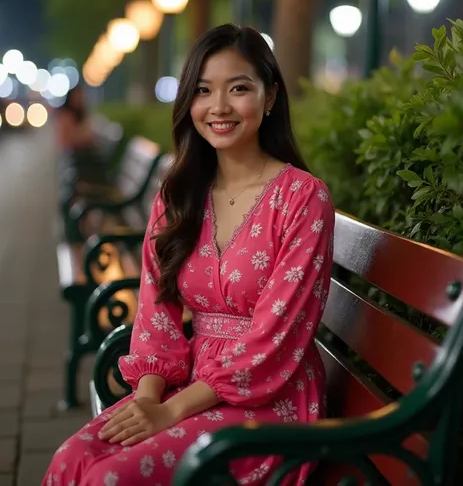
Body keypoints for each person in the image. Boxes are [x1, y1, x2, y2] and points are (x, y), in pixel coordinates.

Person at [43, 24, 334, 486]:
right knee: (70, 458)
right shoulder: (180, 194)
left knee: (111, 476)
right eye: (203, 90)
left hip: (267, 400)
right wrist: (148, 397)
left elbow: (276, 340)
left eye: (239, 88)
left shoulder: (301, 198)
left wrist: (170, 412)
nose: (219, 107)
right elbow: (156, 313)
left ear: (271, 95)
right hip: (189, 386)